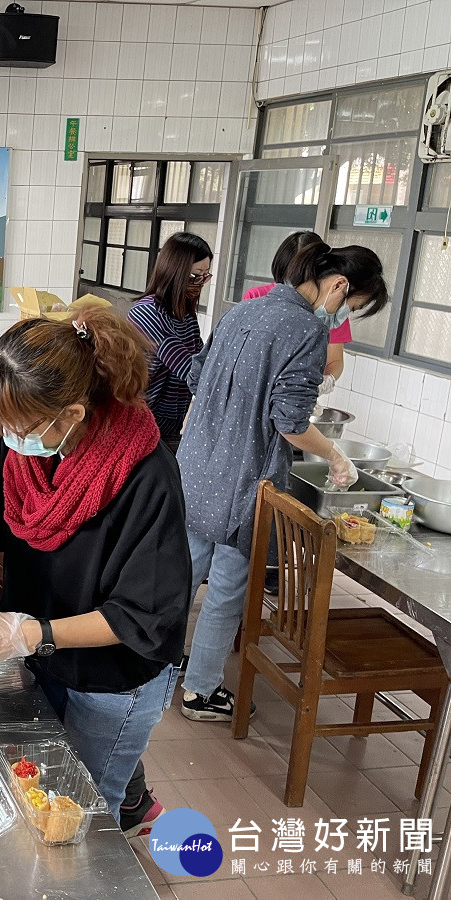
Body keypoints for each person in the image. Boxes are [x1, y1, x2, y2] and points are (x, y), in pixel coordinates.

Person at [0, 310, 190, 827]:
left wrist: (32, 633)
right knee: (42, 786)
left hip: (112, 679)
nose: (6, 438)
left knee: (83, 811)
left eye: (16, 428)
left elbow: (142, 615)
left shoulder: (145, 476)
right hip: (43, 654)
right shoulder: (27, 442)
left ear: (71, 413)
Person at [178, 241, 388, 722]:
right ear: (339, 285)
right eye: (348, 307)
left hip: (195, 466)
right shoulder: (303, 328)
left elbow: (197, 375)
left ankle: (158, 668)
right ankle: (200, 690)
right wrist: (335, 455)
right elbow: (290, 421)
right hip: (241, 481)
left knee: (182, 576)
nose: (339, 317)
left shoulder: (240, 311)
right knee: (229, 587)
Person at [126, 232, 211, 452]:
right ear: (176, 272)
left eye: (205, 276)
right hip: (139, 425)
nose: (200, 283)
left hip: (169, 424)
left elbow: (203, 358)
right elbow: (190, 369)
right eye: (195, 276)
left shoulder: (183, 314)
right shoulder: (147, 313)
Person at [242, 230, 349, 394]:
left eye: (302, 276)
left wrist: (324, 382)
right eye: (291, 275)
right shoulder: (256, 298)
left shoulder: (330, 309)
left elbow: (334, 360)